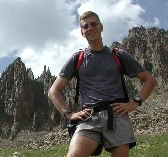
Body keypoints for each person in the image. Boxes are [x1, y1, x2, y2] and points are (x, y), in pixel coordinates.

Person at [48, 11, 157, 157]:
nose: (90, 28)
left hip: (117, 115)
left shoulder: (118, 55)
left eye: (93, 24)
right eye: (85, 26)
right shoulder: (78, 58)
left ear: (101, 27)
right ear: (82, 32)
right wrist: (69, 113)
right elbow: (53, 91)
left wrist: (134, 103)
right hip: (89, 117)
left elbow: (150, 80)